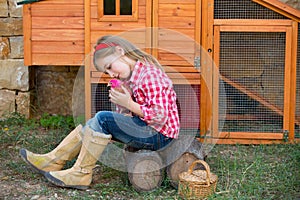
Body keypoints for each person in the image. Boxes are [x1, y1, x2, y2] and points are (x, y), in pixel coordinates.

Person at [20, 35, 180, 190]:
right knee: (94, 123)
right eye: (107, 72)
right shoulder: (131, 79)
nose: (111, 74)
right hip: (145, 128)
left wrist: (128, 103)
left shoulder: (150, 75)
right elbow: (128, 116)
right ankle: (53, 160)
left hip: (159, 135)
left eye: (110, 67)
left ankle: (80, 173)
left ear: (120, 51)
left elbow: (160, 116)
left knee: (102, 118)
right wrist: (122, 105)